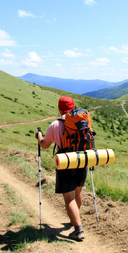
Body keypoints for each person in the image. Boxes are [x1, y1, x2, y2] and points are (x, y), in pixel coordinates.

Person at [35, 96, 88, 241]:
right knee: (78, 191)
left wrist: (39, 137)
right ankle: (74, 220)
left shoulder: (55, 125)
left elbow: (45, 145)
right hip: (82, 160)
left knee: (69, 197)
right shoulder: (83, 121)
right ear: (73, 107)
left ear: (60, 108)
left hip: (66, 162)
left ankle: (78, 230)